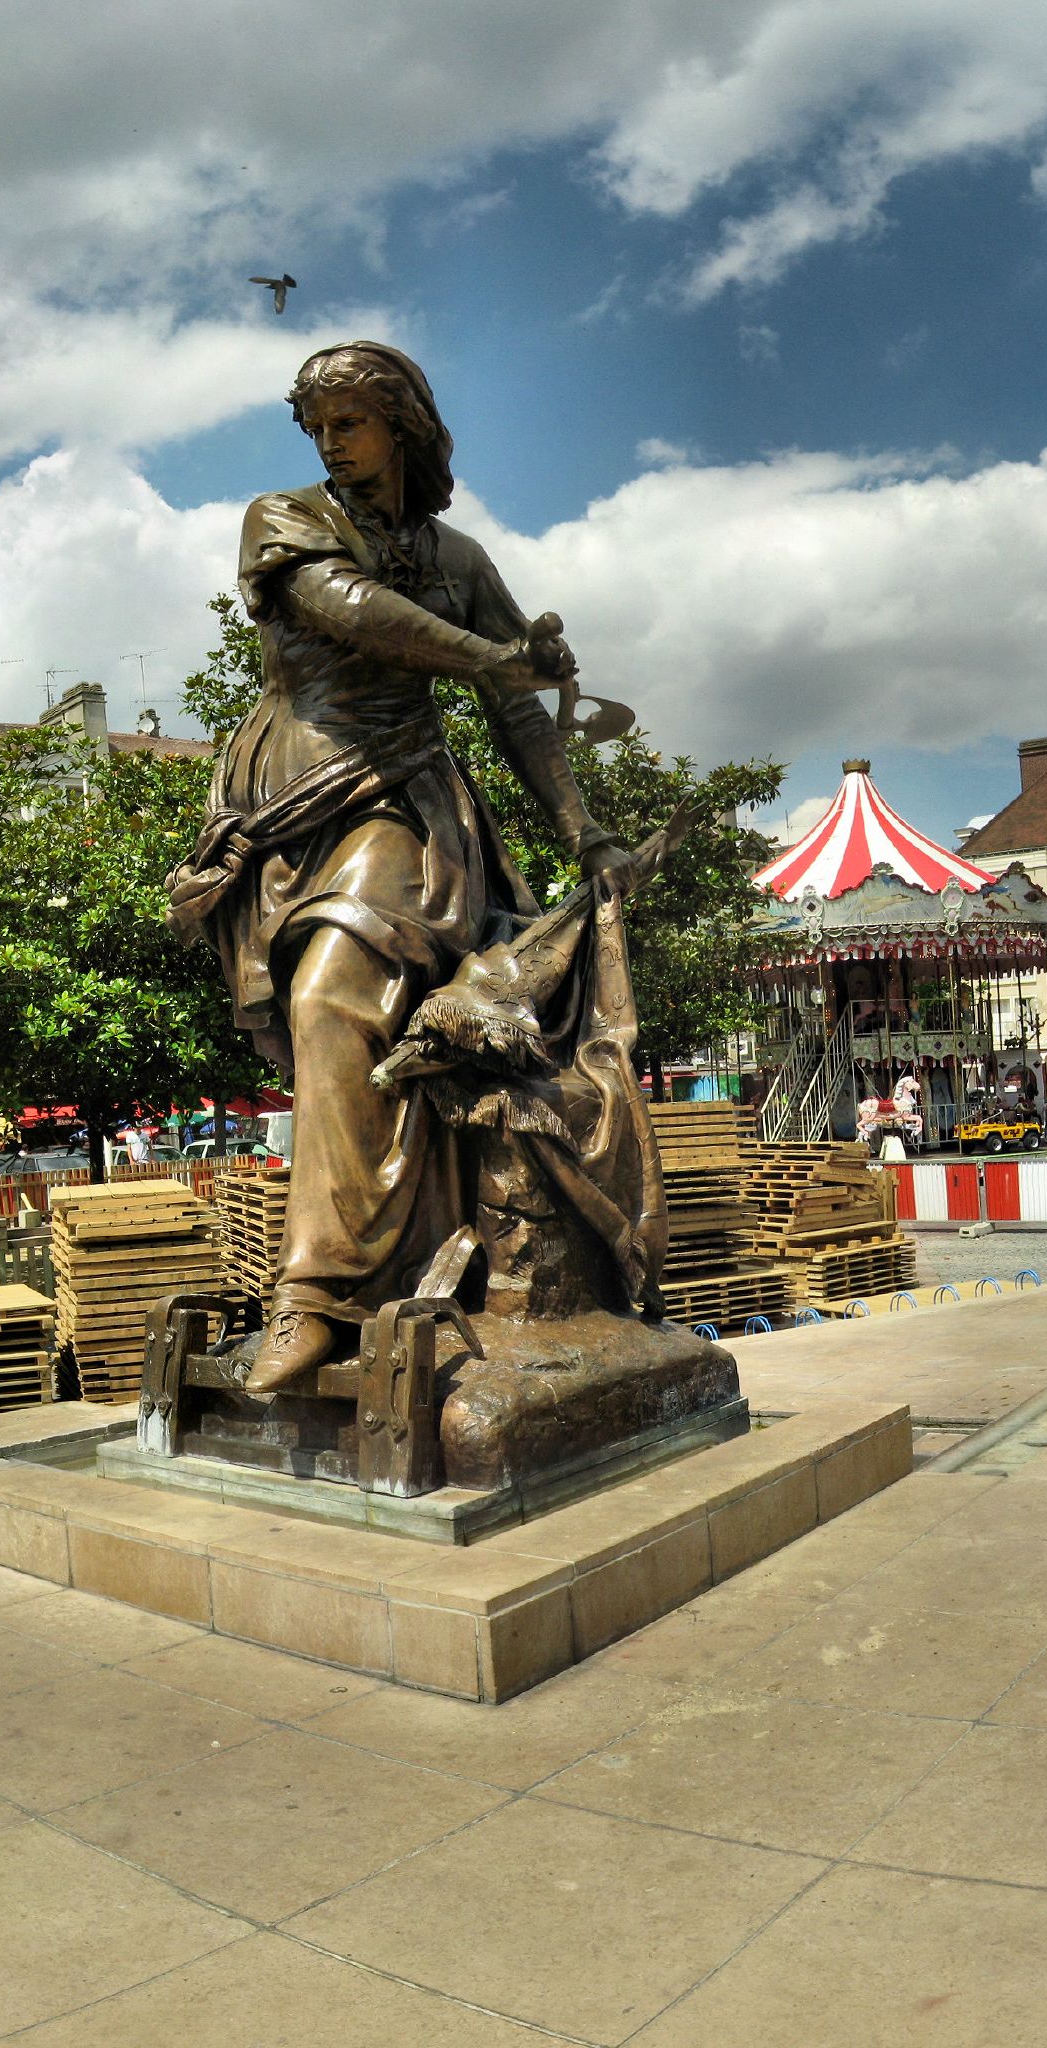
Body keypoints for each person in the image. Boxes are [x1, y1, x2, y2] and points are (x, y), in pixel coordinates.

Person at [169, 341, 633, 1392]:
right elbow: (344, 608)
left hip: (401, 800)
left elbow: (516, 707)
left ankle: (318, 1296)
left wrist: (582, 831)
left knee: (336, 995)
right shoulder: (283, 519)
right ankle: (391, 1270)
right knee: (339, 1030)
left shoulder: (458, 560)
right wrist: (487, 654)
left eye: (350, 422)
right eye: (318, 427)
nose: (331, 444)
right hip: (291, 795)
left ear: (402, 426)